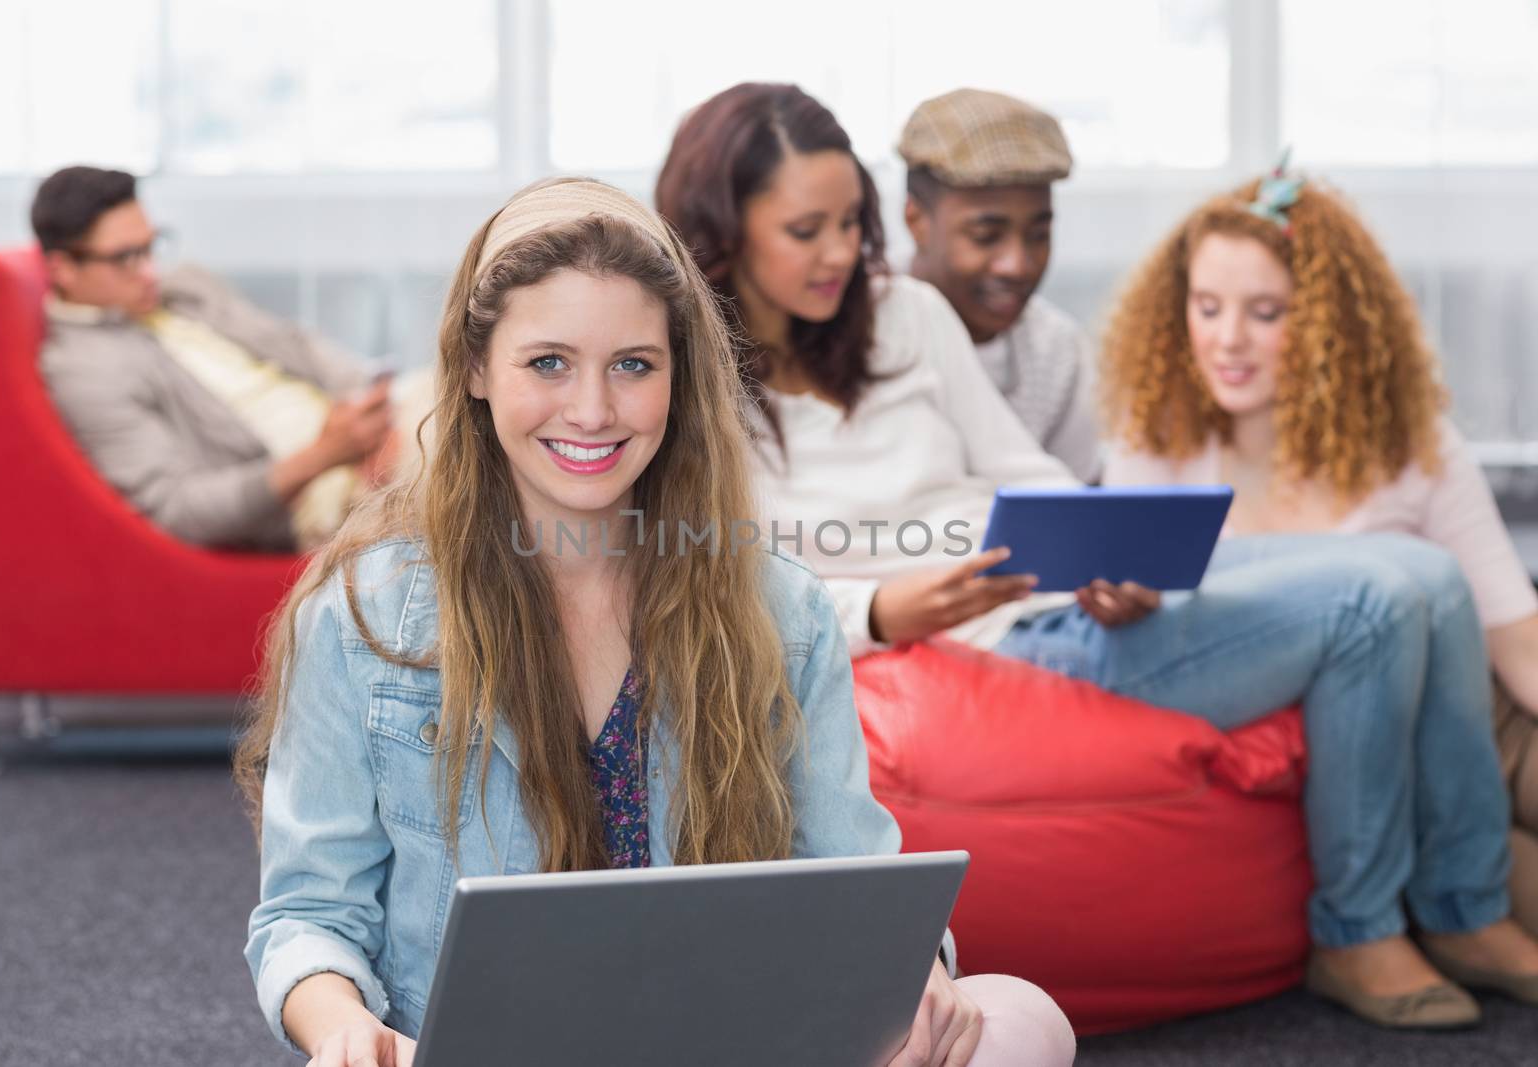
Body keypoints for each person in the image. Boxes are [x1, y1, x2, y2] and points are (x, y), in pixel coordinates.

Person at [655, 82, 1538, 1029]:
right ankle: (1358, 932)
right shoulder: (692, 396)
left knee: (1433, 577)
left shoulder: (903, 315)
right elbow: (719, 581)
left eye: (849, 223)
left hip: (1048, 588)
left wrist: (1101, 553)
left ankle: (1463, 907)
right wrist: (883, 609)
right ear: (724, 230)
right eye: (805, 230)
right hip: (987, 650)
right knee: (1370, 605)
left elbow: (1019, 470)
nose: (839, 253)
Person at [237, 177, 1076, 1067]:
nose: (593, 410)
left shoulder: (780, 609)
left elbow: (855, 882)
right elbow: (308, 917)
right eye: (548, 362)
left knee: (1021, 1018)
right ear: (479, 369)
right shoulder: (365, 616)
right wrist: (341, 1027)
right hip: (486, 1055)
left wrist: (915, 976)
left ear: (678, 377)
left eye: (633, 364)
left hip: (727, 1043)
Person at [1101, 160, 1538, 957]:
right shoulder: (1156, 439)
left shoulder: (1415, 446)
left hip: (1462, 723)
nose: (1228, 338)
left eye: (1266, 313)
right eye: (1207, 307)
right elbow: (1160, 637)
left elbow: (1517, 635)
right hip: (1348, 746)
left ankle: (1467, 900)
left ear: (1330, 325)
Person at [32, 165, 429, 552]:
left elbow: (292, 343)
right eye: (125, 258)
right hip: (322, 493)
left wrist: (371, 402)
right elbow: (180, 508)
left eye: (152, 246)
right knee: (473, 438)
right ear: (63, 269)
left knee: (473, 376)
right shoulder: (82, 370)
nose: (150, 271)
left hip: (367, 429)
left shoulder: (183, 287)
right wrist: (328, 454)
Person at [899, 89, 1101, 482]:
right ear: (916, 220)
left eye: (1039, 235)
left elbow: (1082, 508)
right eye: (986, 235)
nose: (1017, 265)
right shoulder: (860, 328)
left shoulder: (1057, 350)